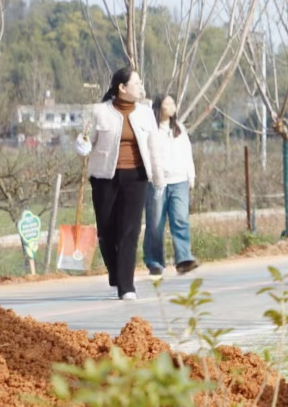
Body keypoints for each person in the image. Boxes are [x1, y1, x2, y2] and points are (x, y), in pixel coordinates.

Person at [75, 67, 164, 300]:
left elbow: (154, 148)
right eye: (136, 82)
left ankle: (127, 286)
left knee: (129, 231)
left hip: (136, 177)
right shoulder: (99, 112)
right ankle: (116, 273)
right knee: (106, 231)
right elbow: (86, 140)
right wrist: (81, 145)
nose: (141, 86)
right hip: (105, 178)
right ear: (122, 88)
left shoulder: (145, 113)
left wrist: (159, 177)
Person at [143, 93, 199, 277]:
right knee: (155, 224)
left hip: (179, 181)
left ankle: (183, 258)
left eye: (173, 102)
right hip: (157, 183)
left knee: (180, 219)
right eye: (168, 103)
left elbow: (187, 154)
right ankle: (154, 262)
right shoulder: (151, 130)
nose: (172, 105)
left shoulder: (179, 129)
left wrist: (191, 176)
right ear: (159, 107)